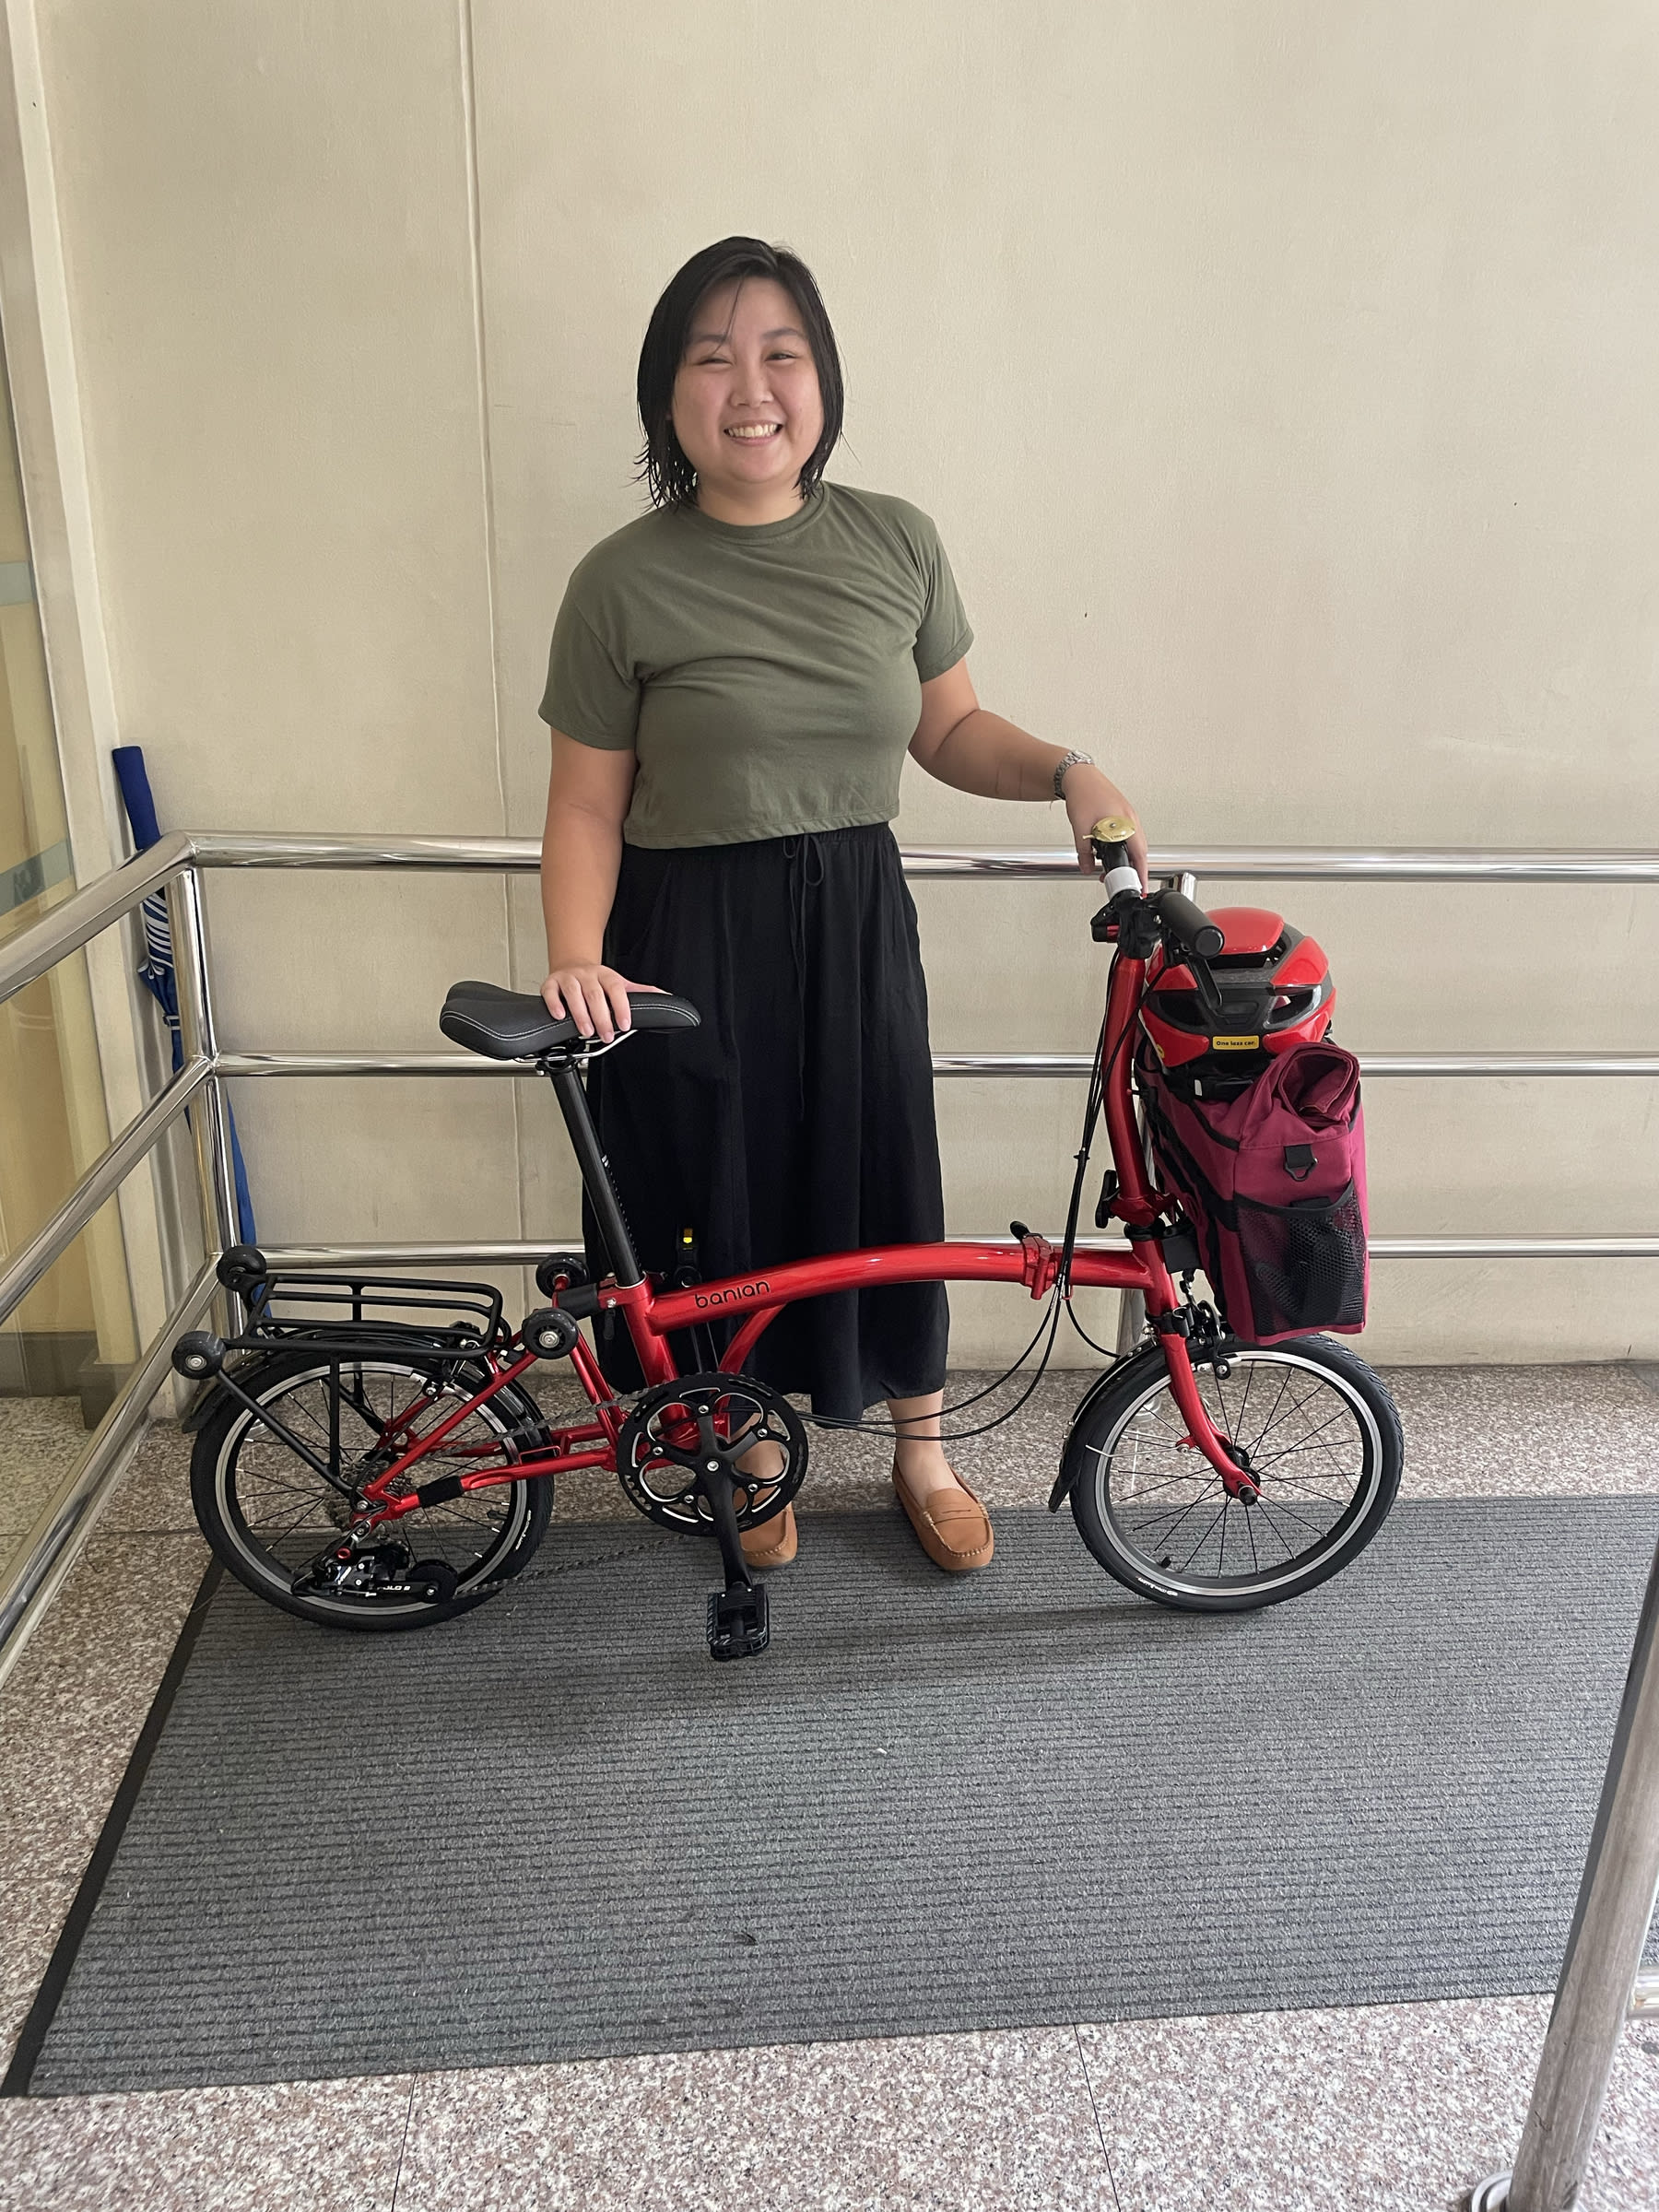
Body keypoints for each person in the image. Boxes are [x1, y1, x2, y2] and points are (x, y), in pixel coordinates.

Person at [537, 236, 1145, 1577]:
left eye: (781, 354)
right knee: (727, 1196)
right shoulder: (620, 580)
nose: (750, 386)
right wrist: (575, 955)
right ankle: (757, 1456)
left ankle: (922, 1453)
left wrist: (1062, 767)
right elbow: (586, 803)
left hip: (856, 915)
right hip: (687, 929)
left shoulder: (895, 541)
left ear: (822, 383)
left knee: (880, 1176)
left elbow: (954, 731)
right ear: (669, 395)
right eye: (713, 358)